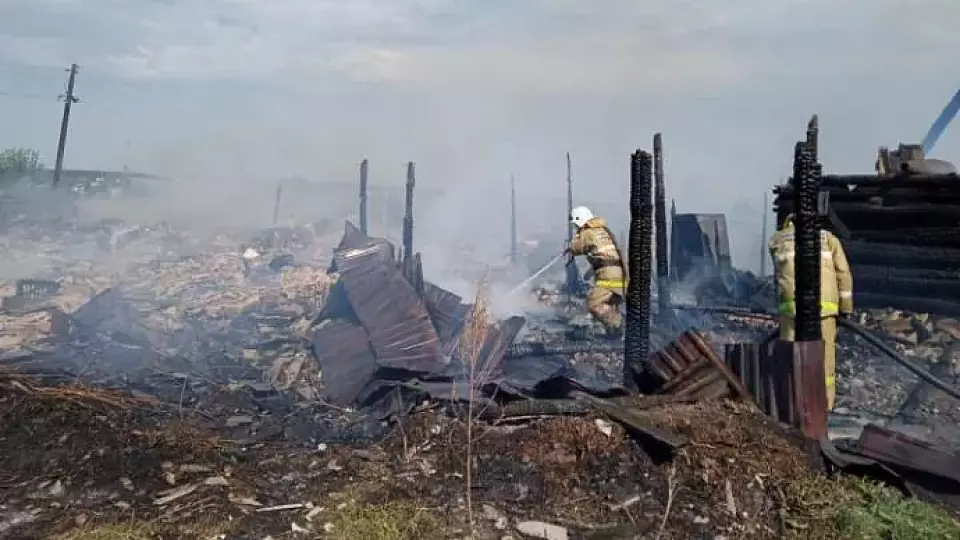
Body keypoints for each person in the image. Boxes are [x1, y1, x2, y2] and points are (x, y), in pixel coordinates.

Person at [769, 213, 853, 410]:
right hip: (825, 308)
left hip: (790, 308)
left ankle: (789, 404)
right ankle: (824, 406)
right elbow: (843, 275)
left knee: (788, 354)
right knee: (825, 359)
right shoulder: (829, 239)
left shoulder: (777, 240)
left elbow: (778, 275)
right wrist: (846, 309)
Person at [564, 206, 626, 338]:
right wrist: (590, 272)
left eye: (576, 225)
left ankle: (618, 324)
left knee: (593, 304)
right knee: (608, 305)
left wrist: (569, 248)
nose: (576, 228)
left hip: (608, 276)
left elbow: (577, 246)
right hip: (618, 275)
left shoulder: (588, 233)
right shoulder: (602, 231)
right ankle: (614, 335)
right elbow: (605, 257)